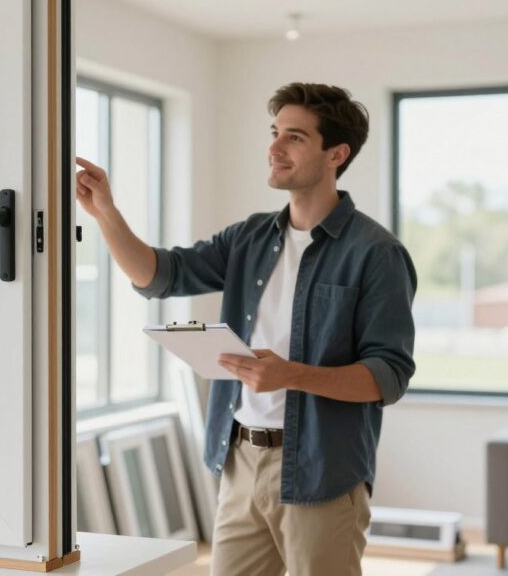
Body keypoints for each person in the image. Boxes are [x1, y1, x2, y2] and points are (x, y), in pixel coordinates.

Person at [74, 82, 416, 576]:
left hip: (323, 471)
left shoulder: (376, 253)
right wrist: (106, 212)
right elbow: (158, 275)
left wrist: (292, 375)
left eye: (295, 137)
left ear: (336, 154)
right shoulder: (249, 237)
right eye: (275, 133)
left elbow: (388, 375)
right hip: (239, 460)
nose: (274, 148)